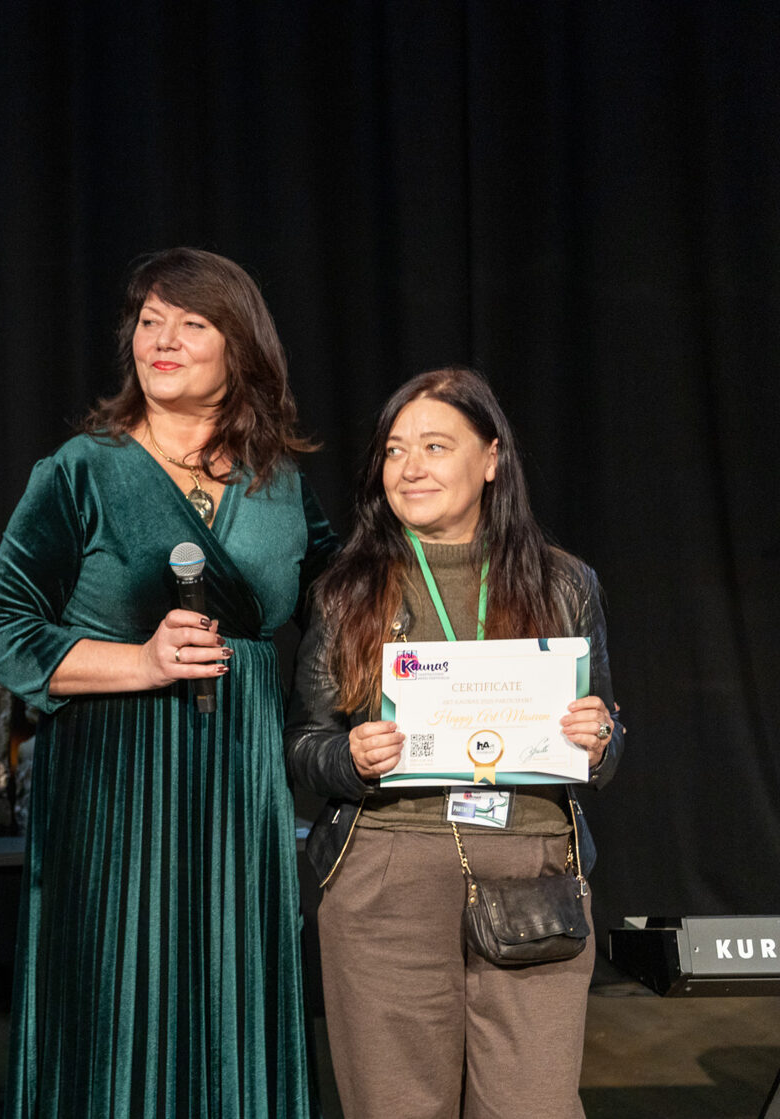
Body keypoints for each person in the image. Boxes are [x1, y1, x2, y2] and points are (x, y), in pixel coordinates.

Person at [0, 247, 335, 1118]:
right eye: (149, 321)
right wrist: (138, 662)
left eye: (191, 323)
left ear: (241, 347)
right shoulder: (81, 472)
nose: (161, 340)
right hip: (113, 793)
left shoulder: (279, 483)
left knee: (232, 994)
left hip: (239, 795)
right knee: (117, 994)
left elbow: (345, 608)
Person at [284, 366, 623, 1119]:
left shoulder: (565, 583)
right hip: (387, 872)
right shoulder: (347, 589)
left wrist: (599, 738)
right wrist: (350, 756)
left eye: (435, 446)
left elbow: (608, 730)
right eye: (395, 450)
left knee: (534, 1106)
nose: (410, 467)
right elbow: (304, 742)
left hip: (532, 869)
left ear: (492, 457)